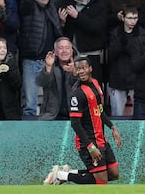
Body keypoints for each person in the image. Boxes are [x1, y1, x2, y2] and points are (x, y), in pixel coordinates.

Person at [44, 56, 122, 185]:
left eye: (84, 68)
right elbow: (75, 124)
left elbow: (99, 110)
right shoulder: (77, 94)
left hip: (101, 139)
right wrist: (91, 147)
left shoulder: (96, 84)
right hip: (88, 142)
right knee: (101, 181)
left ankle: (66, 174)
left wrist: (112, 127)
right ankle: (61, 175)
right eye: (78, 69)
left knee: (113, 174)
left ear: (90, 68)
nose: (81, 71)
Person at [19, 0, 63, 117]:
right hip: (31, 61)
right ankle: (30, 136)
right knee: (30, 104)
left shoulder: (52, 8)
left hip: (49, 62)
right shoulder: (28, 9)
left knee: (50, 102)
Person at [53, 0, 107, 85]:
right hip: (73, 55)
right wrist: (62, 22)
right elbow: (65, 34)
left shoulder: (98, 3)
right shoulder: (68, 3)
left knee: (93, 88)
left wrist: (77, 16)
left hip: (92, 55)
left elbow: (96, 28)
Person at [107, 7, 145, 116]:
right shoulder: (115, 33)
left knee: (140, 115)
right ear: (123, 18)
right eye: (129, 18)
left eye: (135, 18)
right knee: (117, 114)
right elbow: (111, 55)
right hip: (118, 77)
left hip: (137, 79)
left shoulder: (141, 33)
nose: (133, 21)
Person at [36, 37, 78, 120]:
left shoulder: (80, 66)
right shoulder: (49, 65)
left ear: (72, 51)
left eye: (67, 48)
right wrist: (48, 67)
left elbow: (85, 87)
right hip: (51, 115)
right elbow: (42, 82)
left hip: (75, 115)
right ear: (55, 52)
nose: (64, 51)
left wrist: (74, 72)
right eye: (60, 48)